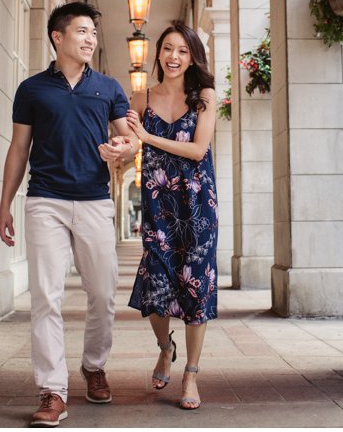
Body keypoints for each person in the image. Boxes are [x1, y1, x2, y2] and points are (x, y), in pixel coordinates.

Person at [0, 2, 136, 427]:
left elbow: (129, 140)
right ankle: (52, 391)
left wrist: (123, 149)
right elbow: (19, 148)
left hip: (94, 201)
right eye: (82, 31)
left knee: (102, 295)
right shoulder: (32, 89)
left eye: (93, 32)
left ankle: (93, 366)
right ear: (58, 37)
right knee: (46, 298)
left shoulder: (109, 88)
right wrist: (5, 203)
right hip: (45, 201)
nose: (90, 38)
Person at [126, 23, 218, 410]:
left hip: (196, 205)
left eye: (182, 50)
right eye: (167, 49)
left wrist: (147, 139)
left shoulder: (205, 97)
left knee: (196, 287)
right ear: (158, 54)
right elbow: (129, 140)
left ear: (192, 55)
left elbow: (198, 150)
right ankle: (166, 347)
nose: (174, 57)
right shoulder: (141, 97)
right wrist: (117, 145)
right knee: (155, 286)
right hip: (157, 205)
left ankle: (191, 375)